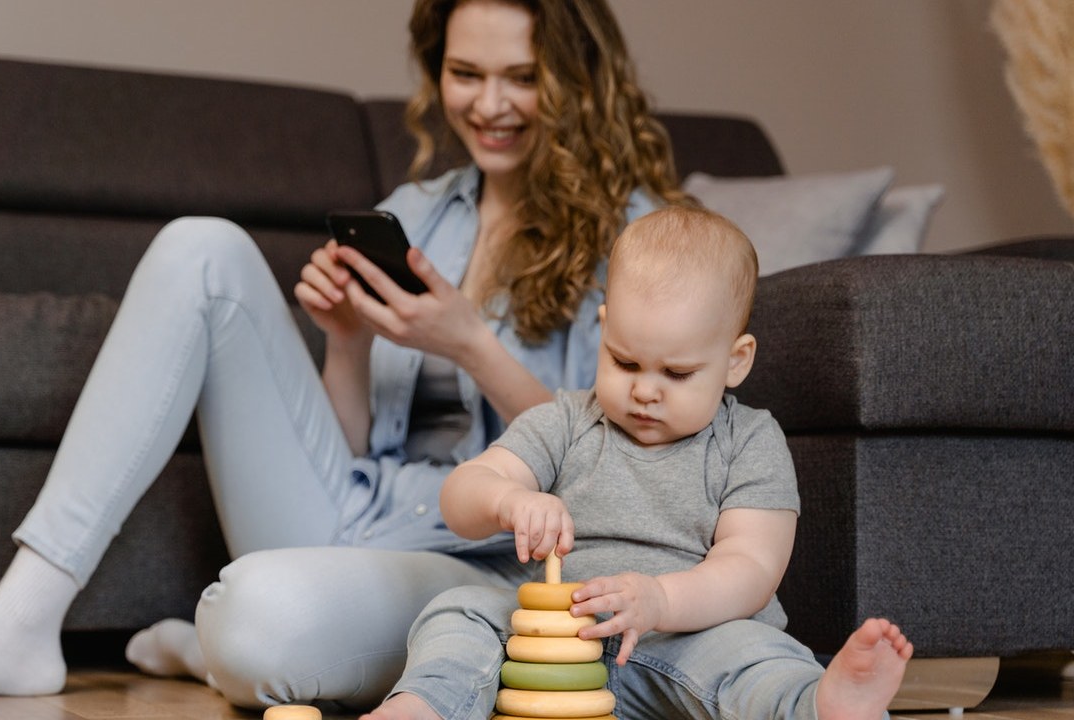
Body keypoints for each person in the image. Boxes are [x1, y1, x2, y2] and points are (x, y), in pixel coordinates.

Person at [0, 0, 691, 709]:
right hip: (356, 509)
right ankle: (22, 614)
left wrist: (465, 342)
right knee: (202, 248)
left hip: (481, 558)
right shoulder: (420, 211)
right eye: (465, 74)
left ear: (576, 81)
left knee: (259, 626)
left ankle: (214, 641)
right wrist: (347, 343)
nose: (488, 105)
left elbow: (615, 473)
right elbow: (346, 448)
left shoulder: (641, 232)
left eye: (521, 78)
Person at [362, 206, 914, 720]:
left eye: (676, 374)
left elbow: (751, 567)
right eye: (625, 361)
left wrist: (662, 600)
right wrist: (508, 499)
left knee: (757, 655)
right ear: (604, 331)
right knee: (460, 611)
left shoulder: (749, 440)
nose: (646, 391)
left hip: (688, 637)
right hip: (553, 645)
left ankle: (819, 706)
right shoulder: (568, 421)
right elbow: (463, 496)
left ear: (735, 361)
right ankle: (424, 706)